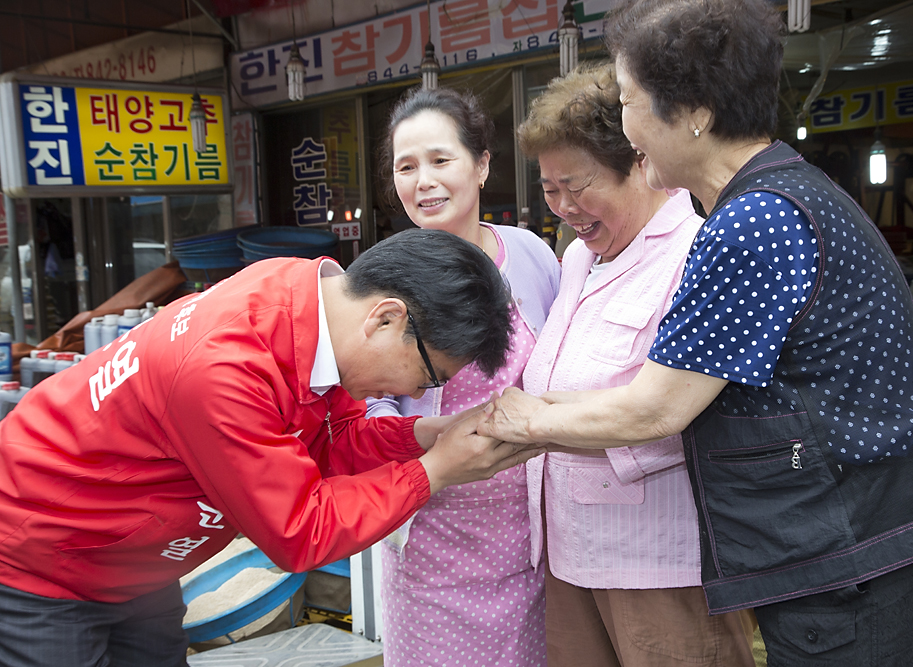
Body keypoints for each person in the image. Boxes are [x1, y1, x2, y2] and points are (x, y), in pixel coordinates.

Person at [480, 0, 913, 664]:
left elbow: (657, 405)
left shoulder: (751, 224)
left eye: (631, 100)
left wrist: (525, 420)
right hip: (880, 543)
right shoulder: (781, 194)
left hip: (862, 564)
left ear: (693, 112)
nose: (624, 126)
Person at [0, 229, 540, 667]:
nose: (414, 396)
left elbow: (336, 440)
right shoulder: (226, 367)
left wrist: (427, 435)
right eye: (426, 377)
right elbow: (301, 529)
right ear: (387, 318)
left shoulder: (309, 304)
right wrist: (435, 471)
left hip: (135, 563)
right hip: (47, 556)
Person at [515, 64, 755, 667]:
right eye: (549, 189)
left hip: (658, 564)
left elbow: (681, 414)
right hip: (569, 552)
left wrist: (529, 423)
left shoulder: (696, 254)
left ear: (641, 165)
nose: (564, 206)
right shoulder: (575, 260)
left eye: (578, 185)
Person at [367, 86, 560, 666]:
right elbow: (362, 408)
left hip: (533, 539)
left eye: (439, 160)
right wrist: (438, 439)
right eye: (406, 166)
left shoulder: (530, 253)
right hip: (432, 536)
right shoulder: (385, 280)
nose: (422, 180)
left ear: (481, 164)